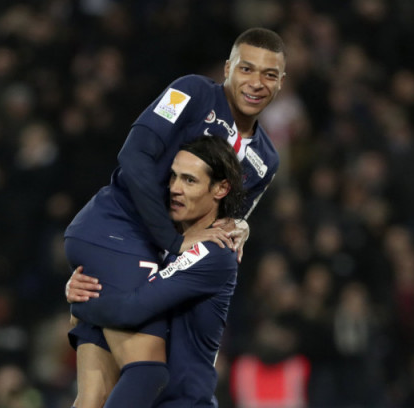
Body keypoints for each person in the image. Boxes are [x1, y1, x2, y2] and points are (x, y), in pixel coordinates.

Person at [64, 27, 286, 407]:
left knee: (95, 397)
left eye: (269, 74)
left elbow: (225, 224)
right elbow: (134, 156)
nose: (256, 83)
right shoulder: (191, 92)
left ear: (281, 82)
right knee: (146, 372)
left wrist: (241, 226)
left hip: (151, 260)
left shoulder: (265, 161)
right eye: (246, 68)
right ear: (227, 68)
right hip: (120, 228)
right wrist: (173, 241)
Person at [68, 135, 245, 407]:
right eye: (173, 176)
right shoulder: (158, 244)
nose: (175, 188)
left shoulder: (215, 252)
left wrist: (80, 304)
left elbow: (131, 309)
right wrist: (84, 284)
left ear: (221, 189)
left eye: (190, 180)